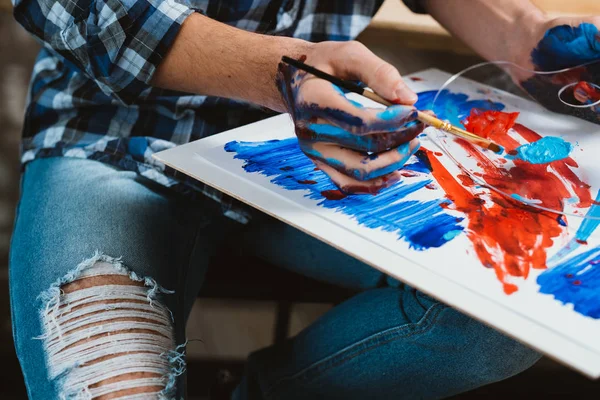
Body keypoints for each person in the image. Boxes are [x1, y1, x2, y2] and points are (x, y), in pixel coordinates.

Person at [8, 0, 598, 398]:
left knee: (500, 322)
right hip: (110, 138)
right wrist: (280, 75)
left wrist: (522, 35)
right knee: (101, 378)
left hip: (320, 149)